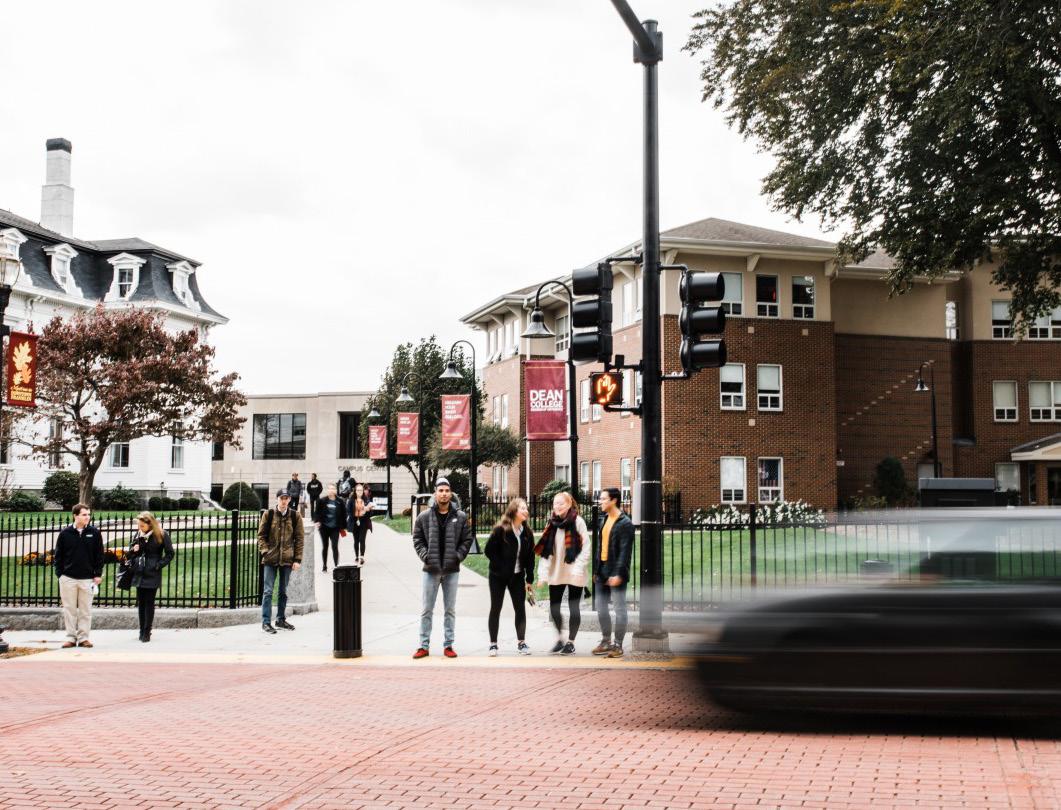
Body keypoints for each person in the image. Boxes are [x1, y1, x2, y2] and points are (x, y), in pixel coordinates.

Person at [411, 477, 473, 659]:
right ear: (435, 493)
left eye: (447, 491)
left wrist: (457, 556)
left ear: (450, 493)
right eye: (441, 491)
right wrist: (425, 556)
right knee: (426, 609)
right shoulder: (424, 517)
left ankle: (448, 645)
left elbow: (467, 539)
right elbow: (417, 539)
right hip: (430, 570)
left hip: (451, 571)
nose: (444, 494)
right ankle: (423, 646)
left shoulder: (460, 517)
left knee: (450, 610)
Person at [535, 490, 591, 655]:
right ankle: (560, 639)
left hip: (575, 571)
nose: (557, 506)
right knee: (554, 608)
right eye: (555, 503)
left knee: (574, 607)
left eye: (560, 503)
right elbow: (546, 551)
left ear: (569, 504)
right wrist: (543, 575)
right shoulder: (551, 524)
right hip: (557, 571)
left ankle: (571, 642)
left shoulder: (578, 522)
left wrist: (578, 568)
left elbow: (586, 547)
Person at [483, 498, 535, 656]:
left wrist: (529, 579)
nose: (526, 511)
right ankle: (493, 644)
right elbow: (488, 551)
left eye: (526, 508)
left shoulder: (527, 533)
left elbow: (530, 557)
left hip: (517, 577)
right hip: (498, 577)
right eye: (522, 508)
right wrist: (501, 567)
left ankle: (521, 643)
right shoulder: (501, 530)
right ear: (513, 511)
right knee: (496, 608)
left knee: (520, 608)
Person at [53, 504, 104, 648]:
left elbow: (99, 555)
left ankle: (83, 638)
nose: (87, 517)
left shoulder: (94, 533)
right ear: (75, 515)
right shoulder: (65, 533)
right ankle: (70, 637)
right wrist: (60, 574)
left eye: (88, 514)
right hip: (68, 578)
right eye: (84, 514)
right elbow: (58, 556)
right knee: (69, 610)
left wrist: (98, 574)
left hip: (87, 578)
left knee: (85, 610)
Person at [592, 487, 635, 658]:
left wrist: (618, 574)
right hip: (602, 569)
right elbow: (600, 547)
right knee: (601, 607)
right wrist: (596, 570)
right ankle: (605, 641)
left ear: (614, 500)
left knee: (619, 608)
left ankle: (618, 645)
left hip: (616, 571)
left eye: (603, 499)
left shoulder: (625, 523)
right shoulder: (604, 519)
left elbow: (625, 552)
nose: (600, 502)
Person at [258, 490, 304, 634]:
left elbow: (299, 539)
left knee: (283, 592)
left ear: (289, 500)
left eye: (286, 498)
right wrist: (265, 552)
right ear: (277, 499)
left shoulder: (295, 516)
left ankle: (280, 619)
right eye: (281, 498)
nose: (284, 501)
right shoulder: (269, 514)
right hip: (270, 559)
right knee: (268, 591)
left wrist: (297, 559)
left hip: (287, 559)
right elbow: (261, 536)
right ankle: (266, 622)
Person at [128, 511, 175, 643]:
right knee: (141, 602)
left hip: (152, 572)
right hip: (140, 572)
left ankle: (147, 631)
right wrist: (134, 550)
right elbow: (130, 554)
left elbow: (170, 553)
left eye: (142, 526)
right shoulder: (138, 535)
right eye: (139, 525)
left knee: (149, 602)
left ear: (150, 524)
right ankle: (141, 630)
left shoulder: (161, 534)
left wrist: (158, 565)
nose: (140, 528)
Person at [315, 483, 345, 571]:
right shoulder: (321, 501)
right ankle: (324, 565)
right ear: (327, 490)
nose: (331, 490)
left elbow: (344, 514)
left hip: (335, 528)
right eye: (329, 489)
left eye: (333, 489)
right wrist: (317, 521)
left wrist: (343, 527)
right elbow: (317, 513)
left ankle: (336, 566)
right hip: (324, 528)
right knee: (325, 546)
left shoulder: (340, 501)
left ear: (335, 491)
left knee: (335, 546)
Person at [347, 482, 372, 566]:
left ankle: (362, 557)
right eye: (358, 490)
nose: (359, 492)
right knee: (356, 540)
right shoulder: (351, 500)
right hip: (355, 521)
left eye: (361, 490)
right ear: (355, 491)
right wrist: (355, 513)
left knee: (362, 539)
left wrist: (367, 510)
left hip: (363, 522)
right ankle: (356, 556)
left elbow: (370, 513)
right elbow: (348, 511)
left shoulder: (366, 500)